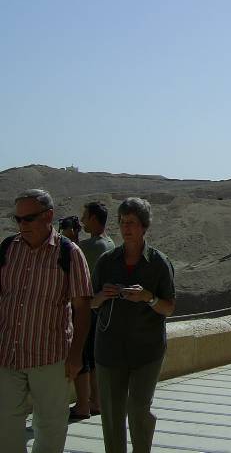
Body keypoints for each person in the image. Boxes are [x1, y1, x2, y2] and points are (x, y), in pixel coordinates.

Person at [0, 189, 92, 453]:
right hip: (8, 354)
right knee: (6, 423)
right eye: (17, 219)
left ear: (48, 216)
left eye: (28, 218)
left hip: (50, 357)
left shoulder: (69, 253)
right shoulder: (8, 249)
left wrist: (76, 356)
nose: (22, 225)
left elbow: (82, 308)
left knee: (50, 426)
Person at [91, 197, 176, 453]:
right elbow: (90, 303)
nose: (125, 228)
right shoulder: (106, 261)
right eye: (122, 222)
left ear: (144, 226)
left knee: (138, 409)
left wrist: (148, 297)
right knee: (112, 415)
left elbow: (169, 307)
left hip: (146, 351)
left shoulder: (159, 263)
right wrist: (103, 295)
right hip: (109, 351)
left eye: (131, 223)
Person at [70, 202, 115, 421]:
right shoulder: (109, 243)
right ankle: (96, 401)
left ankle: (82, 405)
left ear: (94, 218)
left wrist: (70, 239)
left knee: (81, 354)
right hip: (101, 309)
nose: (82, 221)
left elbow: (70, 257)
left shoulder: (92, 246)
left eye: (85, 216)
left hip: (87, 308)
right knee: (94, 357)